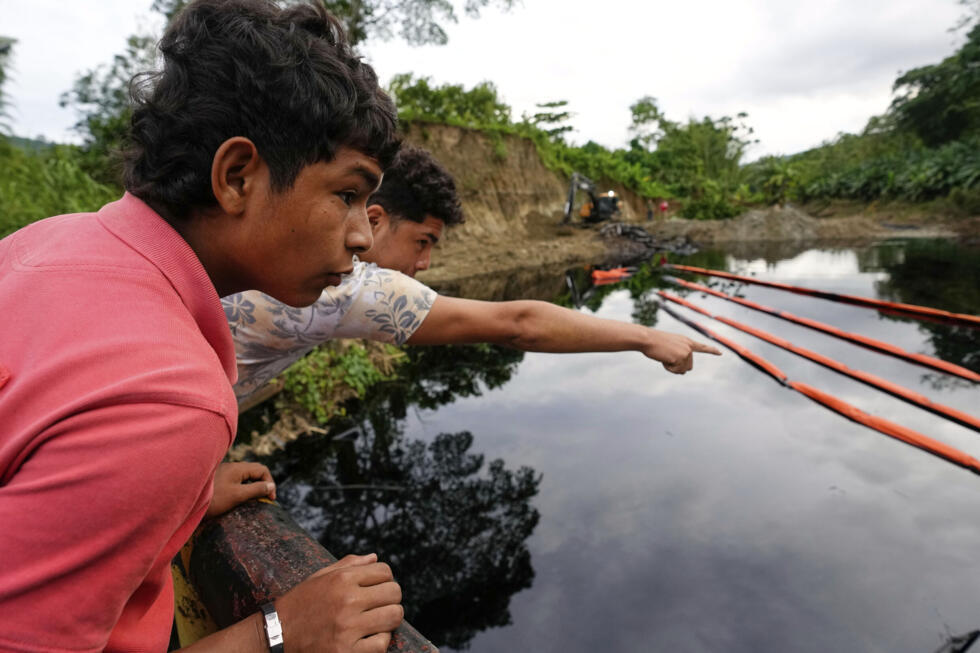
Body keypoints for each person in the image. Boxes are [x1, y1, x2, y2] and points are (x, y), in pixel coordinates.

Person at [0, 1, 406, 651]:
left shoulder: (47, 243)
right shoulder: (170, 398)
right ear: (237, 176)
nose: (363, 237)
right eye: (347, 194)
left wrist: (169, 500)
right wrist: (277, 632)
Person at [226, 146, 720, 406]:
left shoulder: (251, 239)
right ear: (373, 220)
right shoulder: (347, 289)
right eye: (423, 242)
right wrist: (645, 337)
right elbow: (519, 323)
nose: (424, 265)